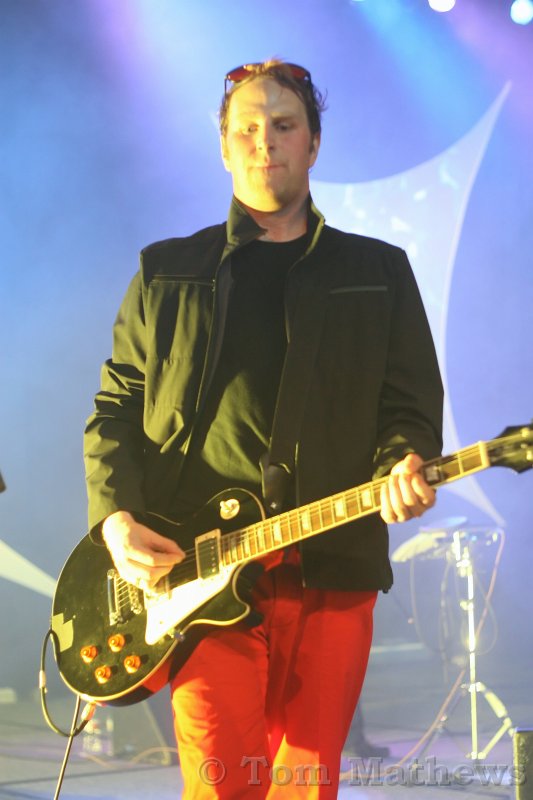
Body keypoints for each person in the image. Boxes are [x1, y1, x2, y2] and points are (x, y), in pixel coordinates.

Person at [84, 60, 443, 799]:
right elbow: (116, 409)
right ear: (223, 146)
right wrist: (115, 520)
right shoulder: (166, 272)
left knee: (306, 783)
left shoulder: (378, 271)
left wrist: (402, 462)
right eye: (246, 128)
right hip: (198, 570)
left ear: (313, 143)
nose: (265, 141)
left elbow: (407, 408)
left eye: (283, 125)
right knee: (221, 783)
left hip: (329, 564)